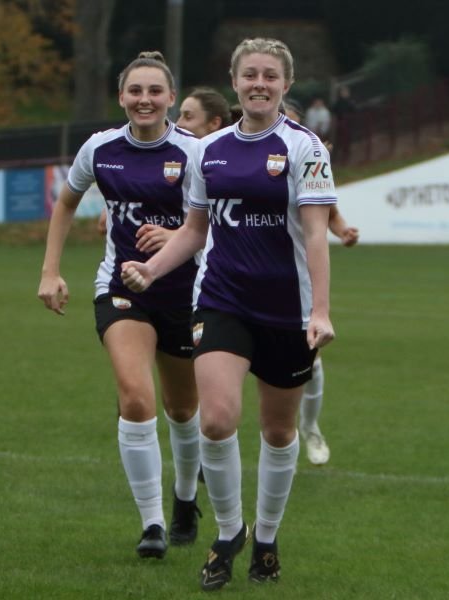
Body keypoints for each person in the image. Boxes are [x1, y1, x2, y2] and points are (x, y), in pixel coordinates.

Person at [120, 37, 336, 590]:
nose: (259, 84)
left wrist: (321, 311)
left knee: (279, 431)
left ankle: (266, 536)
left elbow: (315, 233)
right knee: (216, 419)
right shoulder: (207, 149)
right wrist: (154, 269)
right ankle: (228, 533)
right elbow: (194, 230)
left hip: (287, 311)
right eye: (249, 75)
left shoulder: (305, 147)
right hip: (221, 300)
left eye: (270, 76)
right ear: (235, 83)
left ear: (285, 85)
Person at [37, 51, 203, 560]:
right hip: (122, 290)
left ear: (171, 98)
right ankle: (151, 522)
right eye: (136, 91)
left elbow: (213, 222)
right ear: (121, 97)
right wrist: (50, 270)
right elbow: (66, 202)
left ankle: (185, 499)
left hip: (185, 293)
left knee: (183, 409)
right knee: (135, 397)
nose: (145, 99)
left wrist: (173, 235)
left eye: (155, 91)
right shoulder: (100, 149)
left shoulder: (196, 151)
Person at [282, 98, 358, 465]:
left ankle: (309, 428)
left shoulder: (308, 160)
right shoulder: (237, 156)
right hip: (235, 280)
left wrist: (343, 230)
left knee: (308, 365)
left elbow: (327, 213)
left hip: (296, 278)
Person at [96, 86, 232, 235]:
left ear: (214, 123)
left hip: (195, 258)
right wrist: (116, 209)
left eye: (188, 116)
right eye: (179, 116)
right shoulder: (173, 156)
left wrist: (175, 237)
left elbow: (229, 228)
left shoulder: (223, 167)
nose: (179, 123)